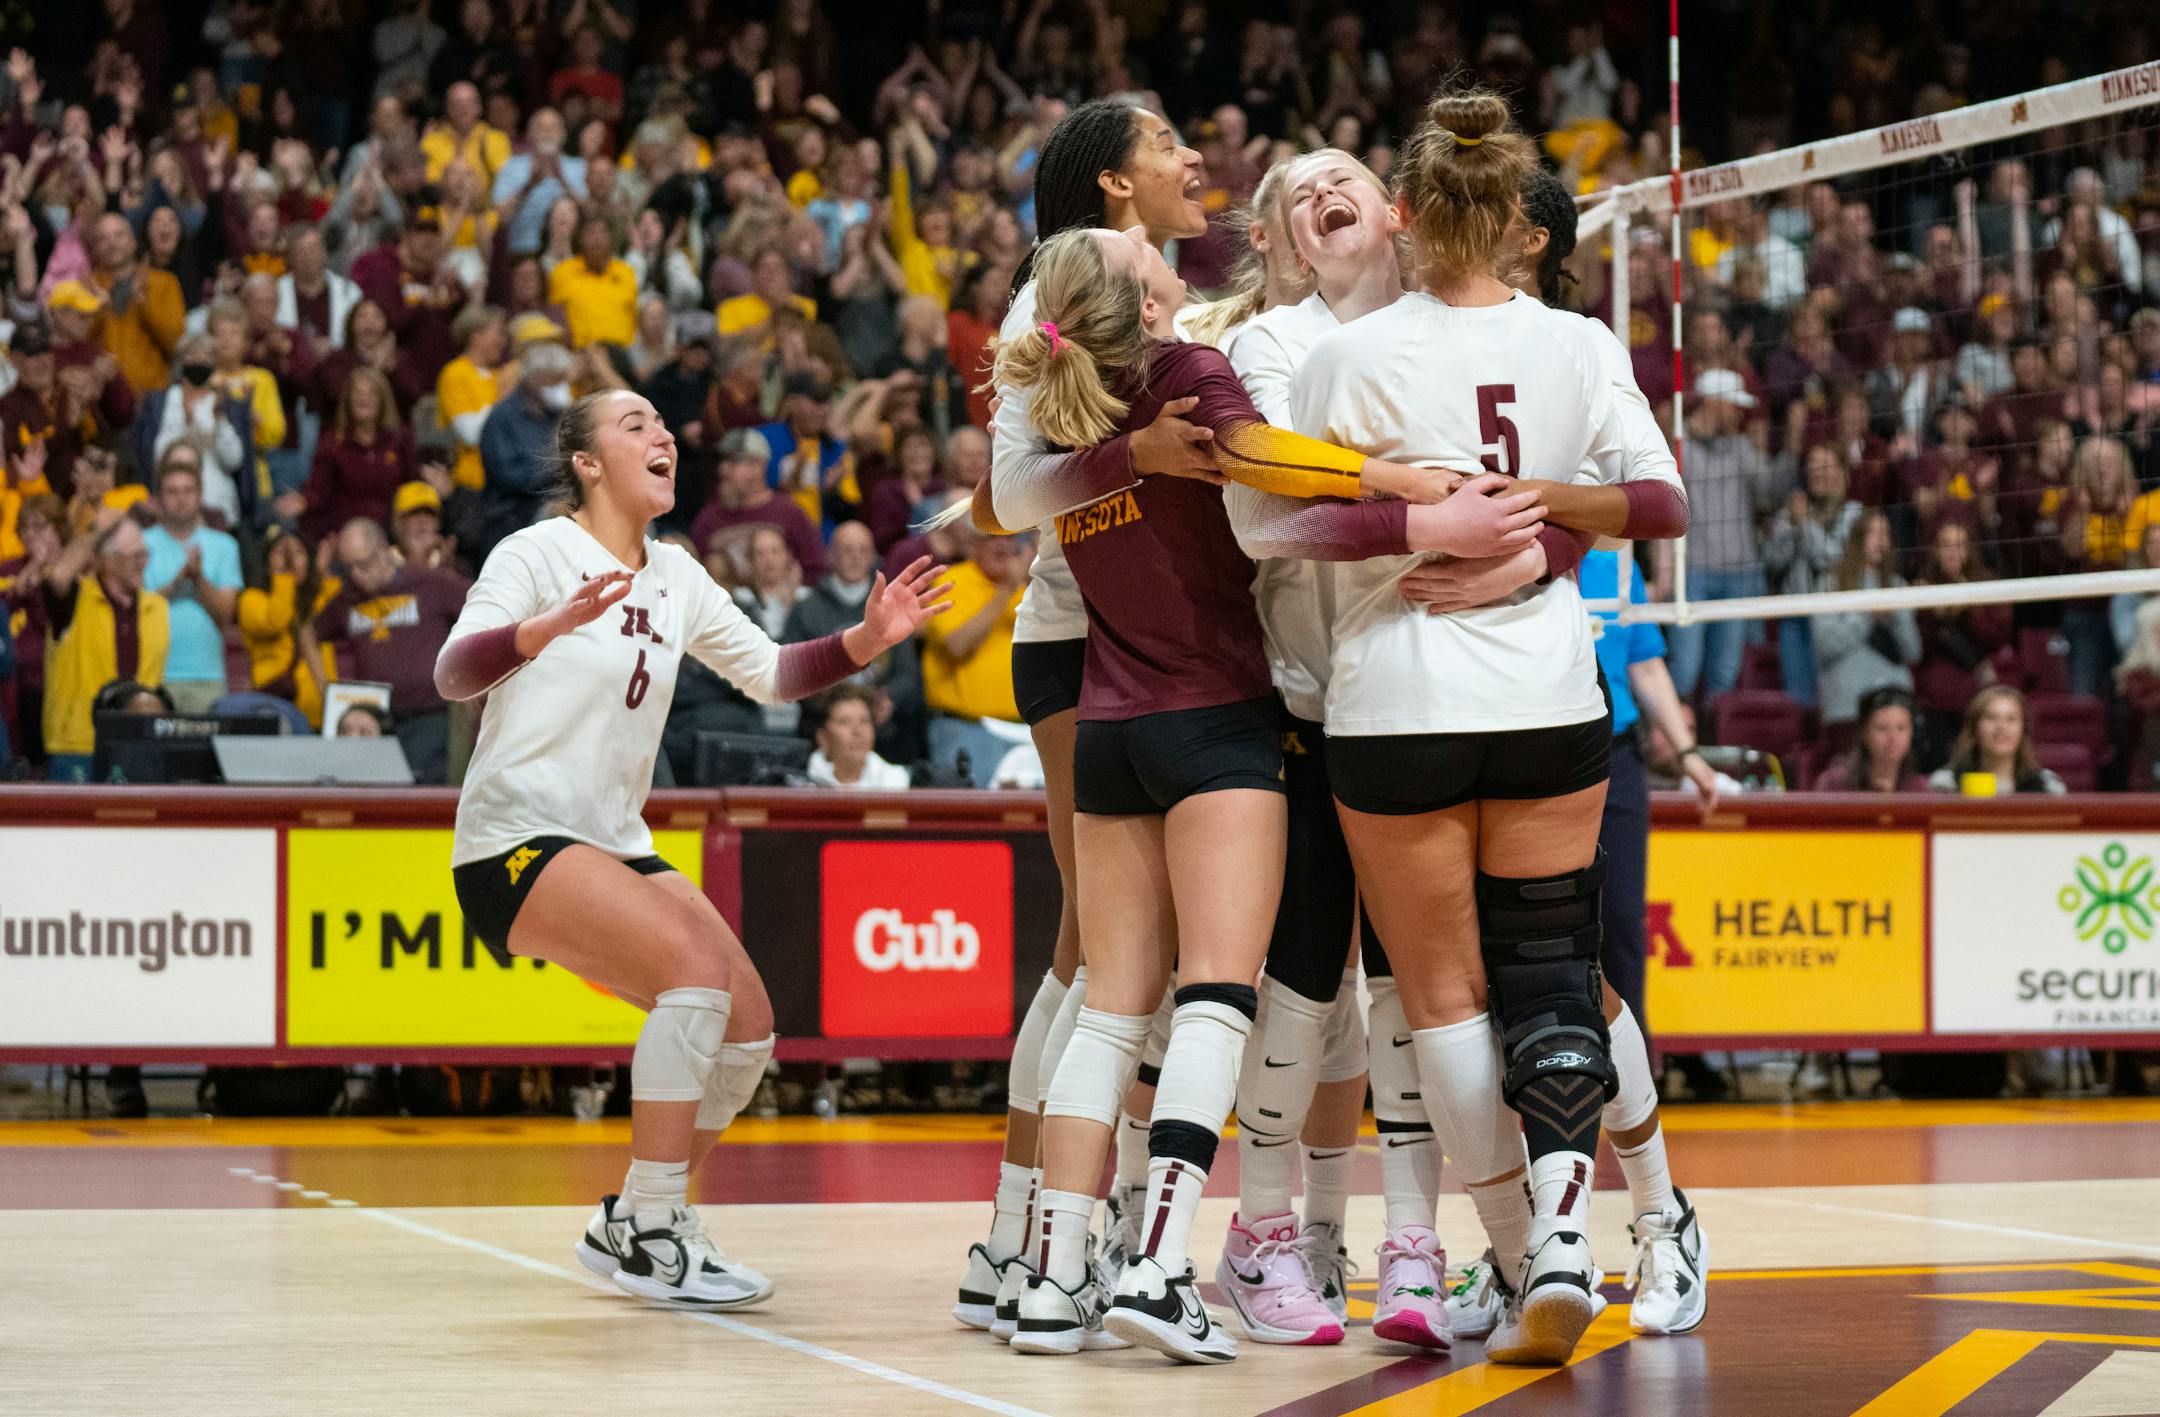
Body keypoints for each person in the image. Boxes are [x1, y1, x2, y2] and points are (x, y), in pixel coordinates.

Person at [1280, 90, 1684, 1368]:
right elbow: (1661, 505)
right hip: (1546, 695)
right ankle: (1584, 1236)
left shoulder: (1343, 359)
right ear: (1519, 221)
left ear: (1402, 215)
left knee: (1441, 1001)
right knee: (1558, 967)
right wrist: (1537, 512)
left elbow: (1276, 528)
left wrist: (1434, 521)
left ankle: (1518, 1259)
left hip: (1394, 702)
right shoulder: (1576, 342)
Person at [432, 387, 946, 1311]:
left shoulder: (679, 574)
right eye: (634, 426)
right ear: (587, 463)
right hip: (517, 837)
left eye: (664, 423)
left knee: (749, 1026)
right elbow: (451, 669)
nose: (662, 433)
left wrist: (865, 640)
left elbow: (775, 673)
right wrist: (533, 632)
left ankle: (633, 1213)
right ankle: (660, 1227)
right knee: (695, 980)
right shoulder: (536, 551)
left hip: (614, 838)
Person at [305, 517, 468, 783]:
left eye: (364, 564)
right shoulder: (348, 597)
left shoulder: (430, 582)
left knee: (424, 804)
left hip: (429, 716)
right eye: (349, 567)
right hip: (375, 723)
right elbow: (308, 631)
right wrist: (324, 688)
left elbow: (484, 607)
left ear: (383, 550)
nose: (357, 574)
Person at [781, 520, 923, 765]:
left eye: (862, 551)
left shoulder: (890, 608)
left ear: (872, 558)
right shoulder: (805, 610)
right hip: (820, 730)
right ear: (830, 556)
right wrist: (830, 701)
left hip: (883, 732)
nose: (855, 558)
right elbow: (790, 671)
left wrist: (890, 698)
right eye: (847, 550)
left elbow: (908, 675)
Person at [42, 516, 167, 780]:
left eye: (145, 555)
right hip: (78, 747)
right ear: (108, 560)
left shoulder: (157, 607)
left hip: (138, 747)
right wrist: (98, 529)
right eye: (134, 556)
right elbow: (58, 576)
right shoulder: (76, 599)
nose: (143, 563)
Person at [919, 527, 1028, 790]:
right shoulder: (951, 583)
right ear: (972, 544)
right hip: (966, 729)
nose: (1003, 546)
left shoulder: (1028, 589)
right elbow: (957, 645)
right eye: (993, 538)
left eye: (1010, 538)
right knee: (966, 824)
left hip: (1025, 732)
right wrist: (1005, 593)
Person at [140, 448, 242, 715]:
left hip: (206, 677)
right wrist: (176, 584)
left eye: (188, 491)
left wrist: (198, 579)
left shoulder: (225, 546)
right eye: (172, 492)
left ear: (200, 496)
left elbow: (226, 613)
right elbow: (136, 610)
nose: (181, 499)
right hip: (153, 674)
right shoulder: (140, 545)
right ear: (159, 498)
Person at [1760, 443, 1860, 712]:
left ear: (1841, 472)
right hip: (1795, 612)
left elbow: (1833, 559)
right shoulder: (1792, 510)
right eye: (1812, 465)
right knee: (1799, 699)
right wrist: (1788, 527)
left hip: (1834, 615)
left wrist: (1806, 524)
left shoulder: (1852, 513)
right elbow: (1772, 560)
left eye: (1825, 464)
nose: (1817, 472)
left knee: (1833, 693)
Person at [1811, 509, 1920, 742]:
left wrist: (1897, 617)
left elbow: (1913, 652)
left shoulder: (1897, 585)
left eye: (1886, 533)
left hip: (1893, 707)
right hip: (1847, 707)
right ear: (1858, 538)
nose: (1881, 540)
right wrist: (1867, 615)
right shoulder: (1831, 583)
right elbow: (1825, 646)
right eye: (1874, 533)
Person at [290, 368, 414, 540]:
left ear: (383, 401)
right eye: (357, 392)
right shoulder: (332, 442)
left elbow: (413, 484)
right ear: (348, 400)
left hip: (391, 532)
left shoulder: (400, 439)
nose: (363, 398)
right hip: (345, 532)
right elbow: (318, 490)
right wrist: (304, 502)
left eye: (371, 393)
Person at [690, 429, 826, 584]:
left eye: (733, 462)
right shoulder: (708, 518)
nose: (723, 470)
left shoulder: (788, 512)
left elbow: (814, 569)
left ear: (758, 467)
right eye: (722, 462)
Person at [236, 527, 336, 727]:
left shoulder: (320, 597)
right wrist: (284, 578)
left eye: (299, 552)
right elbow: (275, 622)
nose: (291, 559)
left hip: (321, 713)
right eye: (280, 552)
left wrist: (321, 573)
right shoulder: (251, 599)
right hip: (275, 712)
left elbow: (339, 600)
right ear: (266, 560)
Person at [1929, 684, 2068, 795]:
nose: (2001, 727)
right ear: (1974, 729)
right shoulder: (1946, 783)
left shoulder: (2048, 786)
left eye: (2011, 719)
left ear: (2023, 730)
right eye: (1991, 717)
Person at [1814, 686, 1929, 792]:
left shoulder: (1922, 789)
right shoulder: (1833, 784)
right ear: (1863, 733)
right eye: (1882, 728)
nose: (1893, 737)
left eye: (1901, 728)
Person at [550, 215, 639, 350]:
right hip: (580, 355)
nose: (597, 238)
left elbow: (634, 319)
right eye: (590, 231)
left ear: (611, 239)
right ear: (580, 238)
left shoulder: (626, 272)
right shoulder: (563, 272)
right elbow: (554, 319)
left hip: (622, 355)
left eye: (603, 232)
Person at [803, 683, 910, 790]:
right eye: (844, 722)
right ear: (822, 737)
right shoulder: (801, 782)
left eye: (864, 721)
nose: (857, 731)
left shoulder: (896, 782)